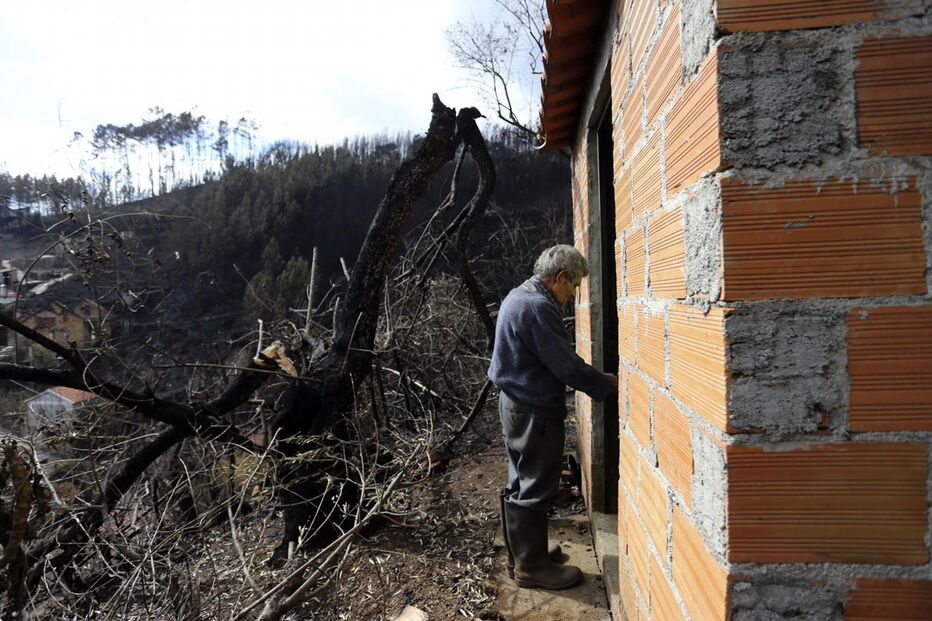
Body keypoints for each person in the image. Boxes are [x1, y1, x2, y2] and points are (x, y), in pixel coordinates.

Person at [488, 244, 617, 590]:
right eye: (573, 286)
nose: (573, 294)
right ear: (560, 277)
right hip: (532, 410)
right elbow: (565, 365)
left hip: (514, 404)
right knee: (535, 485)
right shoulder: (537, 307)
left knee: (520, 479)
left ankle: (524, 554)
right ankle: (532, 568)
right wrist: (604, 385)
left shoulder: (519, 295)